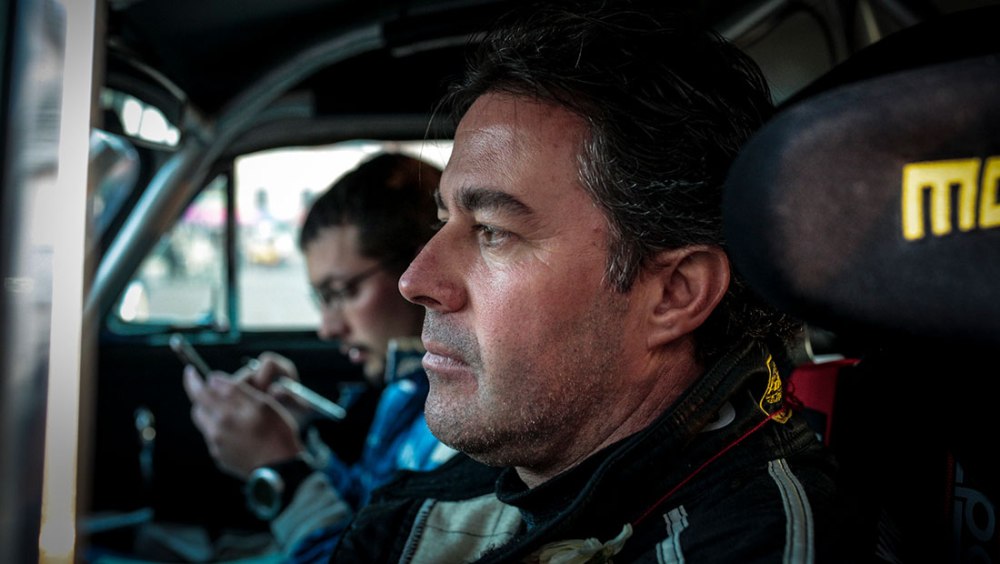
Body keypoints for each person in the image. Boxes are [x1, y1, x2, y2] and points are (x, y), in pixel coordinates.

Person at [327, 2, 859, 562]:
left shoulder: (755, 545)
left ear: (674, 293)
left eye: (493, 231)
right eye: (444, 220)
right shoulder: (435, 504)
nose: (416, 280)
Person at [182, 152, 456, 563]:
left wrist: (280, 471)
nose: (327, 328)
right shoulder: (406, 392)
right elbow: (366, 512)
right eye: (321, 299)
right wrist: (299, 436)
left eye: (342, 292)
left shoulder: (457, 419)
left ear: (421, 270)